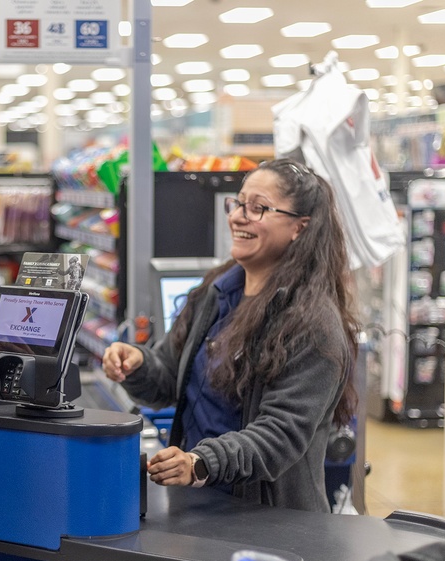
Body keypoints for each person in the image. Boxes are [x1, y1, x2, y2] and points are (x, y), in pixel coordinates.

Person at [102, 159, 358, 512]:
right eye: (238, 204)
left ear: (300, 227)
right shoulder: (216, 292)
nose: (238, 216)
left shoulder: (312, 323)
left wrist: (200, 463)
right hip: (196, 505)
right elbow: (168, 379)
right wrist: (137, 364)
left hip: (265, 524)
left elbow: (279, 435)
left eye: (258, 209)